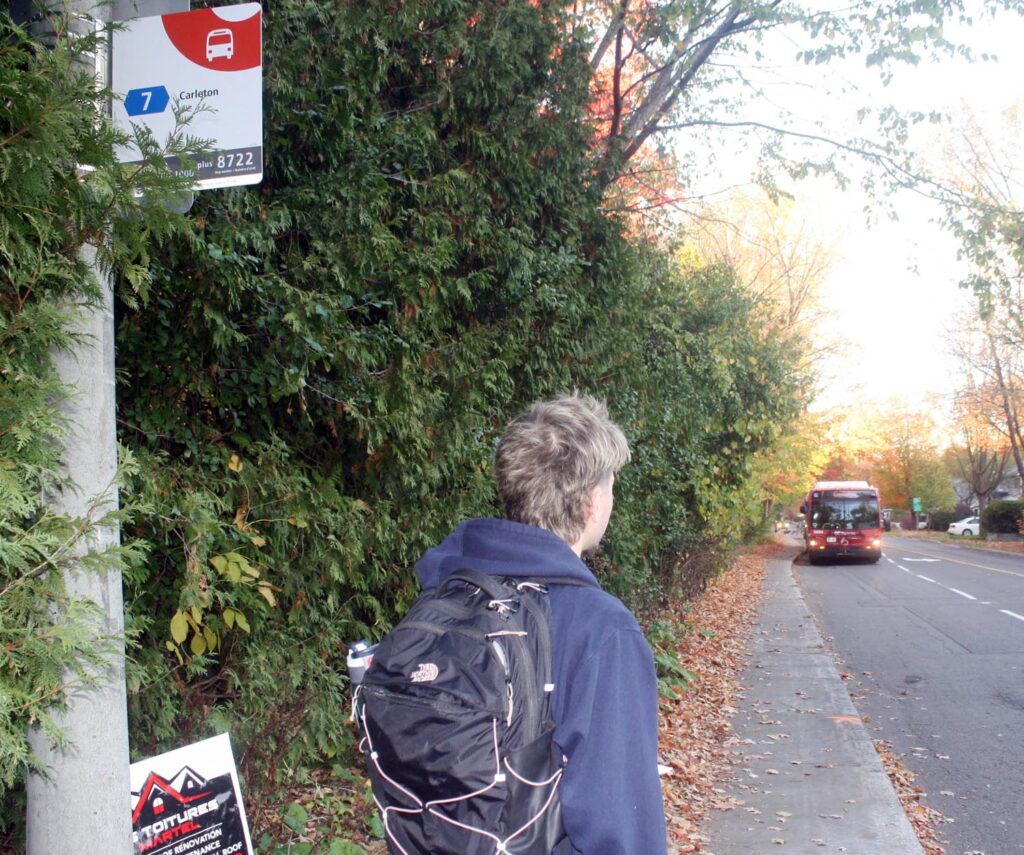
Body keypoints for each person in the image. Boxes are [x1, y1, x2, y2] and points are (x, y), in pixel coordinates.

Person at [414, 394, 669, 855]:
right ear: (592, 502)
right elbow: (620, 828)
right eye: (610, 486)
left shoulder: (442, 597)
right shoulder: (601, 631)